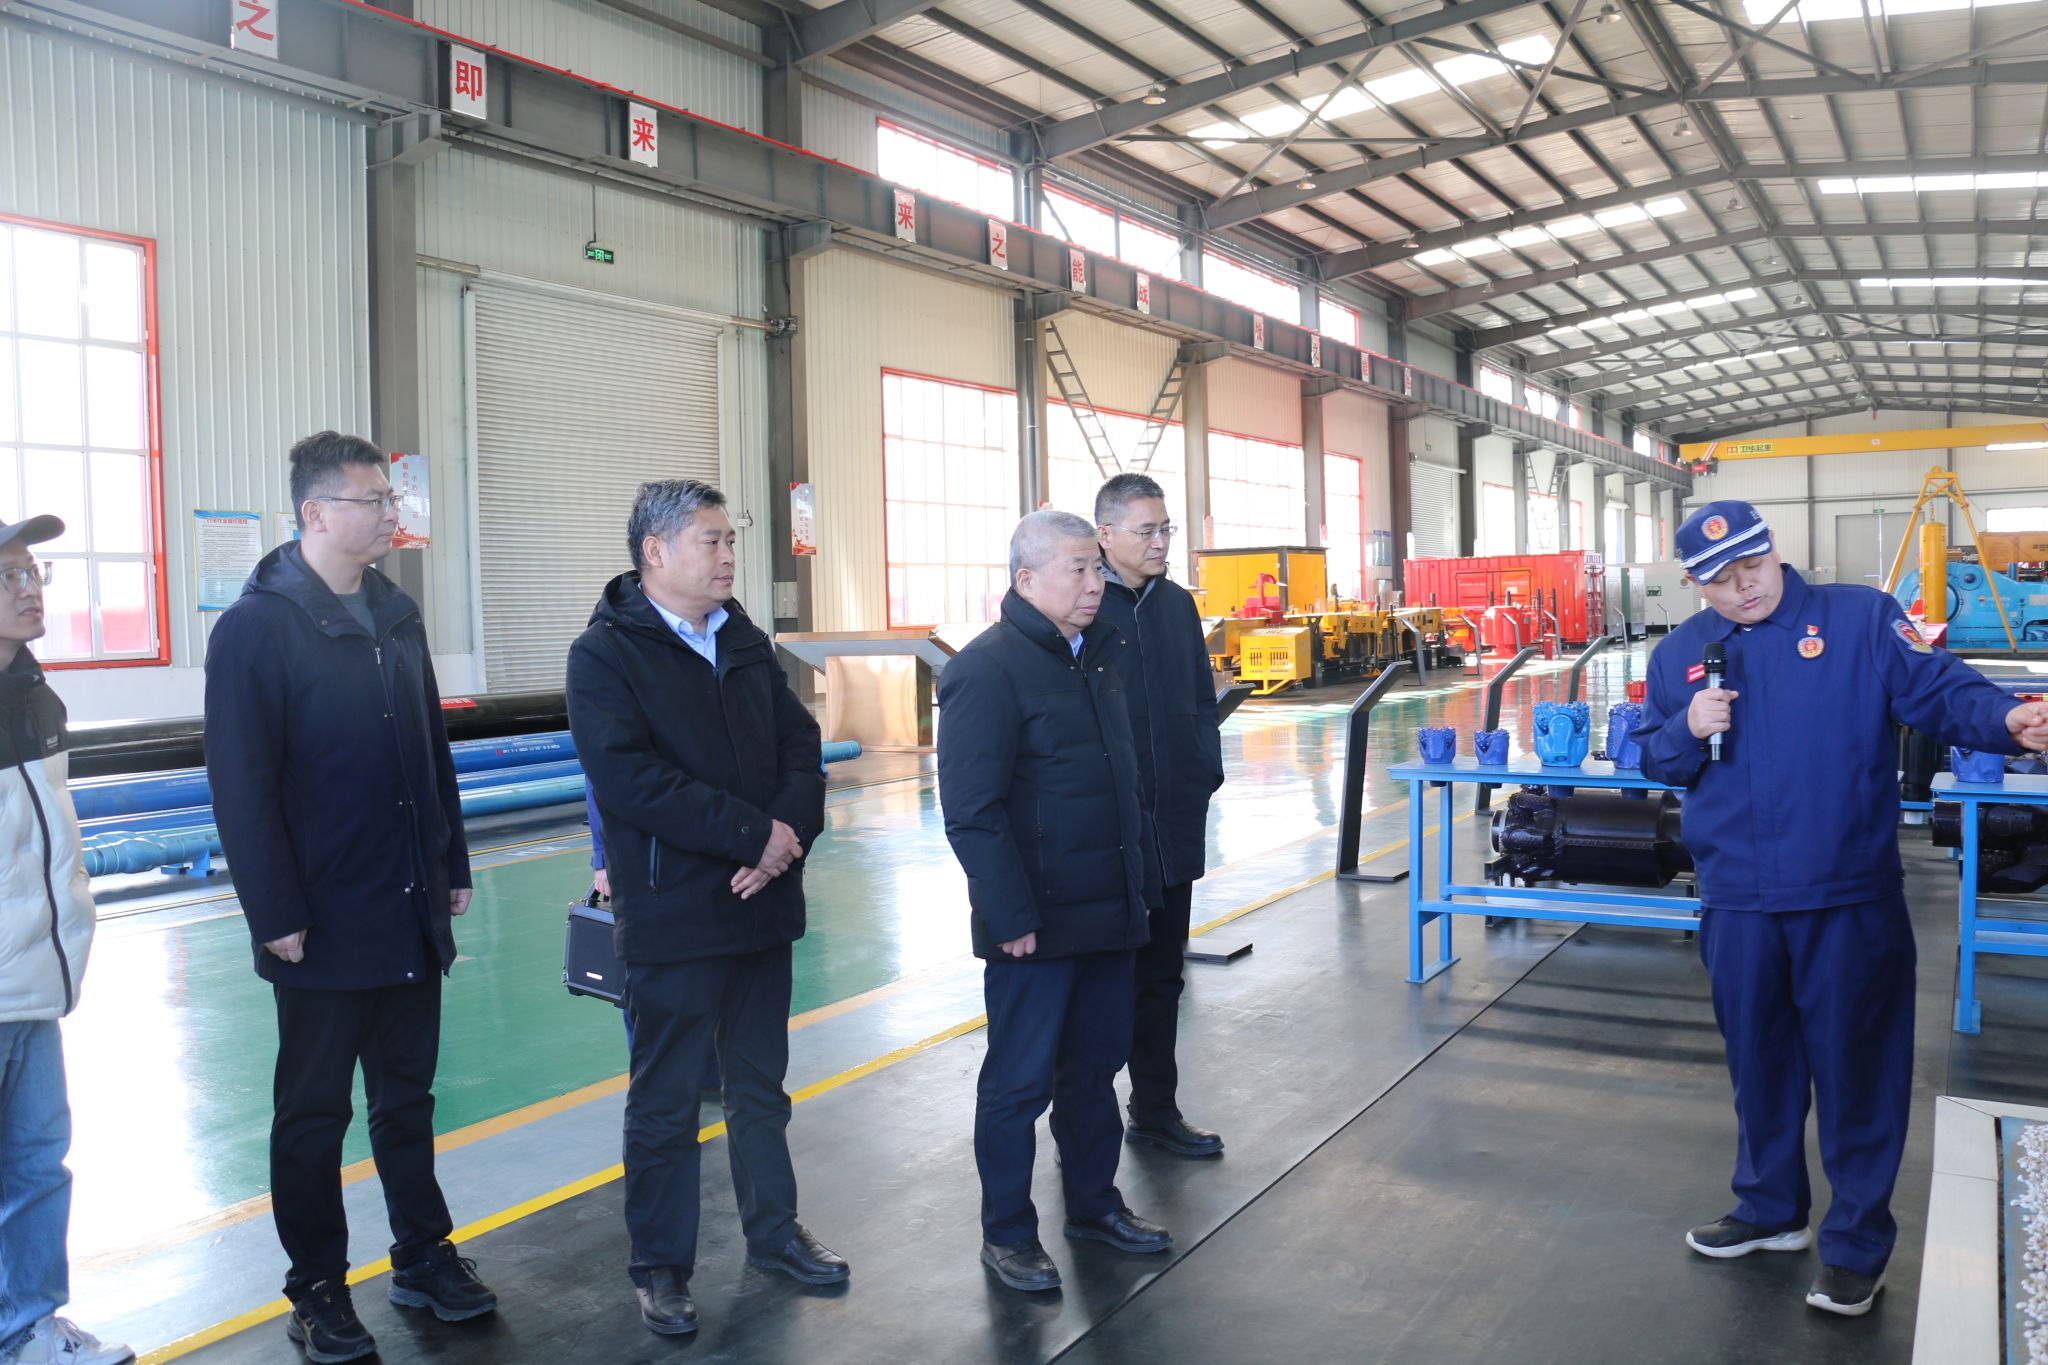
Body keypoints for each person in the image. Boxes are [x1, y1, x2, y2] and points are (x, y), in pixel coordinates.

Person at [1636, 499, 2048, 1318]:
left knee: (1859, 1071)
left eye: (1752, 565)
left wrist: (2009, 718)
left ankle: (1856, 1247)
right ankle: (1769, 1208)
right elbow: (1654, 756)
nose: (1745, 587)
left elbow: (1940, 690)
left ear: (1773, 549)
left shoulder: (1860, 620)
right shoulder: (1681, 654)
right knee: (1759, 1064)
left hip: (1846, 894)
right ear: (1693, 583)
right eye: (1721, 579)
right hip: (1739, 901)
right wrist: (1685, 725)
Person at [205, 433, 496, 1363]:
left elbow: (431, 752)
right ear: (316, 512)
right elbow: (242, 786)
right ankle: (318, 1288)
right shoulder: (256, 629)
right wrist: (275, 913)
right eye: (373, 501)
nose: (388, 515)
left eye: (389, 500)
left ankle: (422, 1253)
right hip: (321, 920)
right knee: (314, 1113)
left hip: (407, 902)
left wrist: (451, 861)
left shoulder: (397, 615)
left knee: (406, 1099)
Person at [566, 479, 843, 1339]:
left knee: (759, 1086)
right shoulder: (606, 653)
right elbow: (630, 779)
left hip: (761, 903)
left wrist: (786, 835)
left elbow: (801, 744)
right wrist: (753, 836)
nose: (729, 555)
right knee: (667, 1098)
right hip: (676, 911)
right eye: (711, 541)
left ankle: (775, 1233)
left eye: (730, 540)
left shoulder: (744, 639)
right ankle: (660, 1264)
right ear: (656, 552)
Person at [937, 508, 1172, 1294]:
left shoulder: (1098, 656)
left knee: (1094, 1071)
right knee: (1018, 1084)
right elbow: (972, 810)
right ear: (1026, 578)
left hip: (1107, 910)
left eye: (1096, 567)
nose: (1093, 582)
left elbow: (1119, 784)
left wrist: (1139, 890)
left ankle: (1094, 1204)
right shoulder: (987, 669)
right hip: (1035, 924)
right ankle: (1007, 1234)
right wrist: (1010, 917)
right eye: (1078, 568)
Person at [0, 516, 131, 1365]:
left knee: (37, 1163)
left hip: (36, 982)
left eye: (32, 571)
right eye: (7, 575)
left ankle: (29, 1327)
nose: (29, 588)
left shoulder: (39, 698)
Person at [1091, 474, 1227, 1159]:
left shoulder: (1176, 605)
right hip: (1108, 833)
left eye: (1166, 529)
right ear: (1105, 534)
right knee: (1102, 984)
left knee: (1163, 977)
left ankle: (1154, 1109)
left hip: (1172, 817)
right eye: (1146, 530)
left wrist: (1203, 772)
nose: (1160, 542)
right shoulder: (1084, 604)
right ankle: (1085, 1131)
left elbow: (1201, 698)